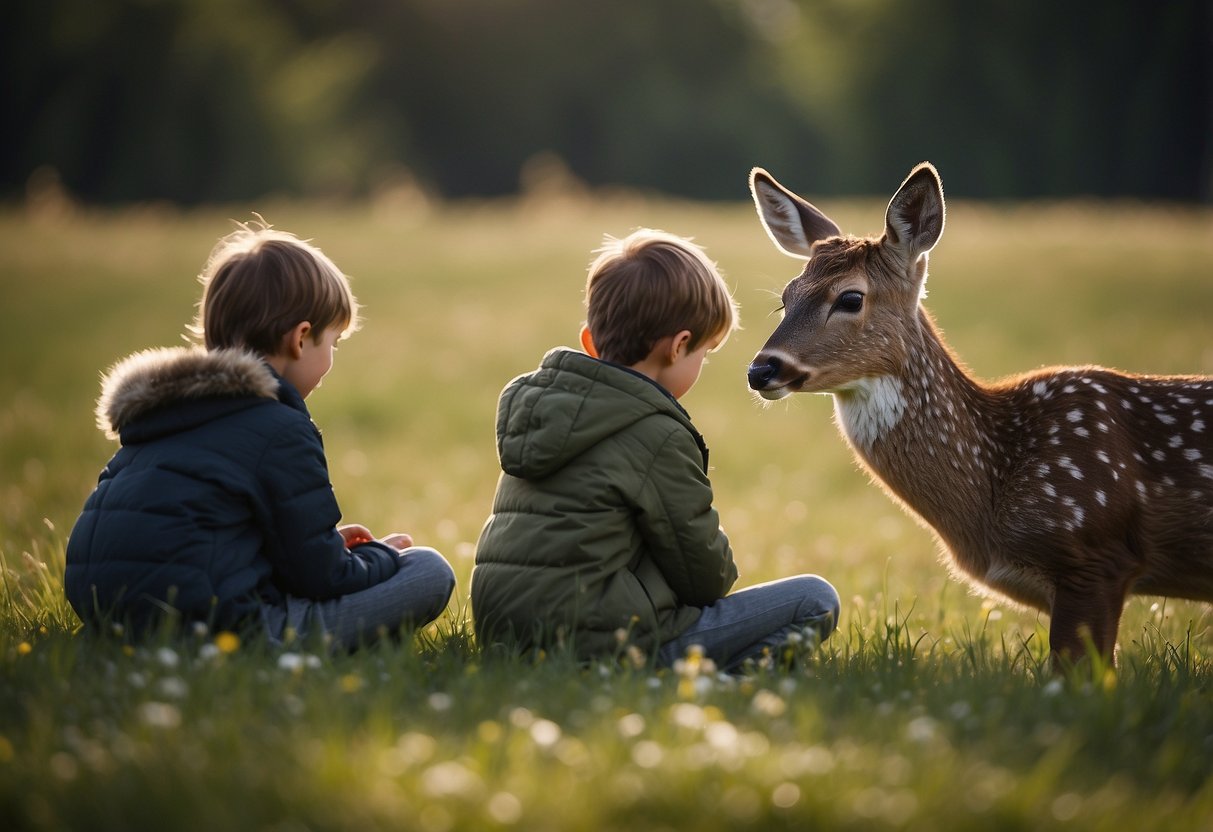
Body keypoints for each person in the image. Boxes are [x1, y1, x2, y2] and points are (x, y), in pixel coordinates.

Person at [65, 221, 455, 648]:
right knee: (427, 570)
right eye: (334, 344)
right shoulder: (279, 428)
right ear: (301, 339)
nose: (332, 359)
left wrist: (327, 546)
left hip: (112, 621)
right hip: (225, 632)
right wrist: (379, 555)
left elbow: (209, 534)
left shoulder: (162, 417)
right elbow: (322, 577)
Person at [471, 228, 839, 670]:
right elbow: (706, 578)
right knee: (815, 599)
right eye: (704, 352)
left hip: (504, 639)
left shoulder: (542, 411)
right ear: (679, 346)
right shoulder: (656, 433)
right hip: (606, 648)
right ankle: (719, 684)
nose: (700, 363)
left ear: (590, 341)